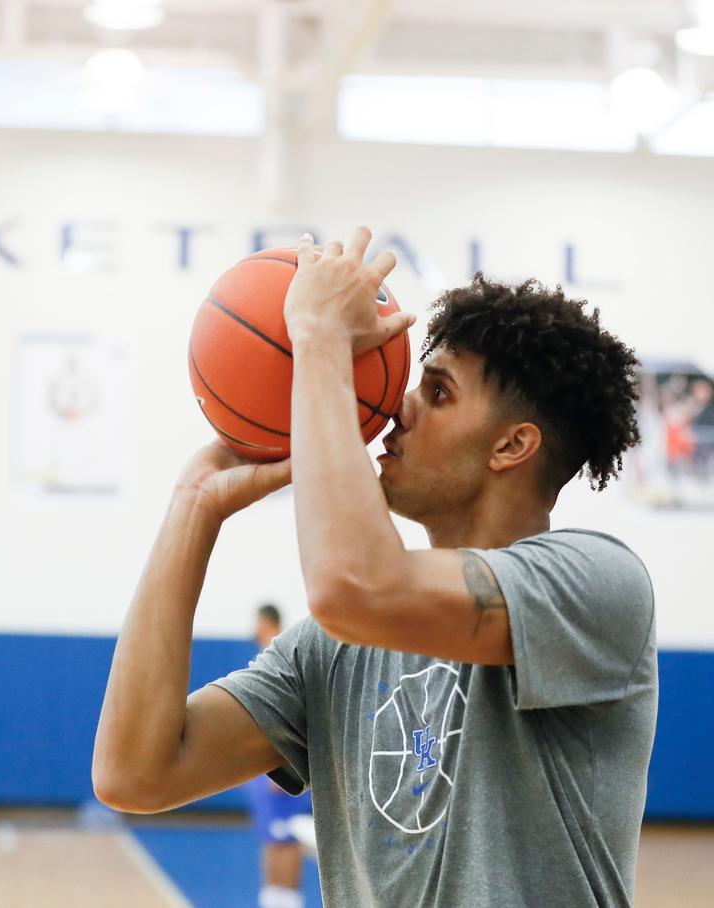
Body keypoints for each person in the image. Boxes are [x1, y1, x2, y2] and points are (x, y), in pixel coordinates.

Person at [93, 229, 655, 908]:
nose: (397, 408)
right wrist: (193, 510)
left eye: (439, 393)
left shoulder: (596, 584)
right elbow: (133, 773)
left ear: (512, 445)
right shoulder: (329, 647)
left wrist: (322, 343)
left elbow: (357, 585)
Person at [245, 604, 313, 908]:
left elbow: (290, 715)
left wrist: (281, 761)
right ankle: (273, 900)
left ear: (265, 621)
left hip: (278, 768)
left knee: (285, 842)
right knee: (271, 840)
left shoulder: (281, 654)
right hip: (264, 771)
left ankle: (287, 901)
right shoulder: (261, 656)